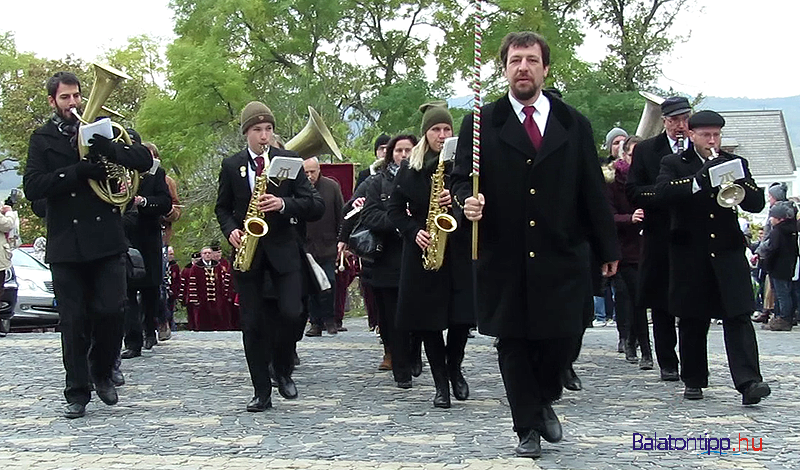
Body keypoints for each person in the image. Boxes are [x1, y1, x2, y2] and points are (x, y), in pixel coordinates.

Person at [451, 32, 619, 458]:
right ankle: (526, 425)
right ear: (503, 68)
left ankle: (544, 398)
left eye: (530, 60)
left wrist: (608, 249)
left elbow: (592, 189)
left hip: (562, 251)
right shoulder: (480, 122)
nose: (522, 67)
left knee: (563, 338)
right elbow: (460, 180)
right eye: (514, 60)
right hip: (503, 251)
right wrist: (465, 201)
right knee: (512, 341)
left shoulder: (572, 122)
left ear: (545, 68)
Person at [23, 71, 153, 419]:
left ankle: (101, 369)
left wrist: (111, 150)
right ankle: (76, 391)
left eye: (77, 96)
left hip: (107, 238)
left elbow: (145, 161)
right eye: (65, 98)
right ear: (52, 101)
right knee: (73, 321)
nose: (73, 103)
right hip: (66, 242)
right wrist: (78, 173)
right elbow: (33, 186)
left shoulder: (104, 129)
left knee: (112, 310)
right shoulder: (42, 138)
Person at [654, 110, 770, 404]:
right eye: (706, 135)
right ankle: (693, 378)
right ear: (691, 135)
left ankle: (749, 381)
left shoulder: (735, 162)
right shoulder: (674, 163)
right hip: (691, 251)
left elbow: (756, 203)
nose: (712, 140)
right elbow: (664, 193)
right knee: (693, 317)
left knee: (739, 315)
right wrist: (699, 179)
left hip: (728, 251)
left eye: (716, 135)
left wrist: (740, 181)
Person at [215, 101, 324, 411]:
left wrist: (283, 204)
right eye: (257, 130)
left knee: (291, 313)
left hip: (284, 251)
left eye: (268, 129)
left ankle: (283, 367)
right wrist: (231, 231)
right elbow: (222, 208)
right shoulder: (231, 165)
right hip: (248, 254)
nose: (264, 136)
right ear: (246, 133)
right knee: (252, 323)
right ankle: (261, 390)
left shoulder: (289, 160)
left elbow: (314, 206)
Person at [387, 101, 475, 408]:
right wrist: (414, 232)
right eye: (436, 129)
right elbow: (394, 210)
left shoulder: (463, 166)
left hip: (459, 248)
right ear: (426, 134)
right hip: (424, 252)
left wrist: (457, 199)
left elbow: (479, 202)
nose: (441, 134)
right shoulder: (410, 168)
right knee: (429, 322)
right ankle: (441, 384)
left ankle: (455, 368)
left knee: (462, 318)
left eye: (446, 129)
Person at [626, 96, 692, 382]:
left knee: (692, 302)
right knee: (661, 302)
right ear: (664, 121)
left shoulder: (699, 148)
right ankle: (667, 361)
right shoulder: (647, 151)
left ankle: (693, 363)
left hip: (692, 236)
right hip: (659, 233)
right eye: (674, 120)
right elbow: (634, 191)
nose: (680, 125)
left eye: (684, 119)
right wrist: (666, 194)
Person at [360, 134, 418, 386]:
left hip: (417, 254)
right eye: (399, 151)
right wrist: (399, 223)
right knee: (391, 317)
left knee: (417, 314)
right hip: (386, 258)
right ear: (390, 154)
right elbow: (369, 215)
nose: (403, 155)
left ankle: (414, 355)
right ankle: (400, 367)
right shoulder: (376, 182)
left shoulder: (423, 177)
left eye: (408, 150)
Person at [120, 134, 173, 359]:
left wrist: (143, 201)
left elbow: (165, 202)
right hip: (123, 235)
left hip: (147, 234)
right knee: (126, 291)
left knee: (151, 288)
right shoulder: (114, 170)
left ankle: (150, 328)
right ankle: (132, 341)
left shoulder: (155, 172)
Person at [606, 135, 653, 368]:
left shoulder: (649, 178)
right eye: (632, 155)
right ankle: (644, 348)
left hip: (649, 246)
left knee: (643, 298)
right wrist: (629, 218)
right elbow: (607, 215)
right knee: (634, 298)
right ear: (624, 155)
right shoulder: (614, 181)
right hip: (625, 249)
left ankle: (634, 340)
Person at [303, 157, 344, 336]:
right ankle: (315, 323)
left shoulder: (332, 187)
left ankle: (330, 319)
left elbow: (340, 214)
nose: (309, 175)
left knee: (329, 283)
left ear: (319, 170)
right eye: (306, 172)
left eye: (312, 171)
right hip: (306, 246)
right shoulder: (298, 189)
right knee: (311, 285)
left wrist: (342, 240)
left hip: (328, 245)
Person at [755, 201, 797, 331]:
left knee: (781, 294)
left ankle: (783, 319)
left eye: (773, 217)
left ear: (780, 218)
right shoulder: (792, 230)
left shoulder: (777, 231)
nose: (771, 219)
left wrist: (766, 261)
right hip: (789, 266)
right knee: (786, 293)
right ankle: (784, 317)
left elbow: (773, 249)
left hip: (778, 267)